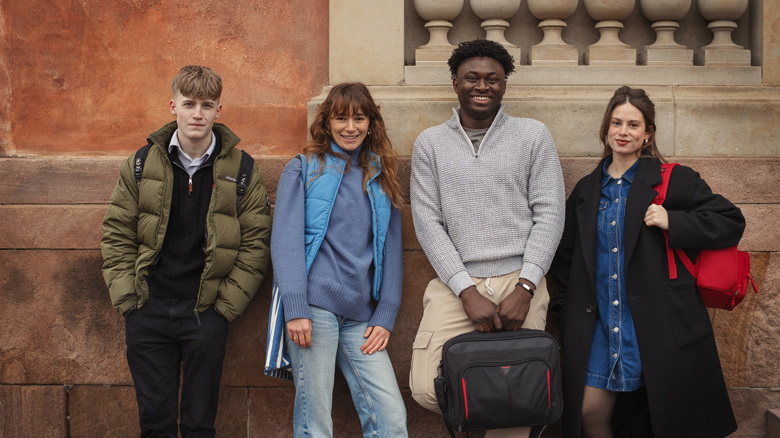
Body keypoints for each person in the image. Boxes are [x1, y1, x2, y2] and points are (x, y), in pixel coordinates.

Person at [548, 86, 744, 438]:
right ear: (606, 129)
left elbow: (731, 221)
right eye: (616, 123)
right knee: (588, 411)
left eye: (633, 125)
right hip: (600, 326)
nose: (623, 132)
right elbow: (565, 257)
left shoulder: (675, 179)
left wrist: (674, 221)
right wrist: (568, 310)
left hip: (658, 324)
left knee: (663, 417)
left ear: (648, 133)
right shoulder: (586, 190)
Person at [100, 65, 272, 437]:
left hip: (205, 312)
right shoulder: (142, 163)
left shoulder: (242, 169)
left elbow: (255, 244)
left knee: (199, 425)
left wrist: (223, 308)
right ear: (173, 106)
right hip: (148, 308)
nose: (197, 113)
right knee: (155, 424)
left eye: (207, 105)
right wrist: (129, 300)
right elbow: (117, 233)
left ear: (218, 110)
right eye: (189, 104)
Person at [409, 39, 566, 438]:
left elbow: (550, 214)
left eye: (492, 78)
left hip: (521, 279)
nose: (482, 86)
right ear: (455, 83)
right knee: (426, 387)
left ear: (504, 84)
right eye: (472, 77)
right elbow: (428, 224)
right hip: (457, 282)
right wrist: (466, 291)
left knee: (519, 399)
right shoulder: (430, 143)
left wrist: (526, 287)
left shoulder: (533, 136)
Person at [270, 82, 407, 438]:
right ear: (326, 122)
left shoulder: (381, 175)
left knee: (391, 416)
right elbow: (285, 242)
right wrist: (296, 308)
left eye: (359, 118)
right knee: (315, 422)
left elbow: (392, 248)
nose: (350, 127)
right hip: (315, 308)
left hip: (362, 315)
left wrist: (386, 313)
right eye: (340, 118)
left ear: (371, 122)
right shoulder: (304, 169)